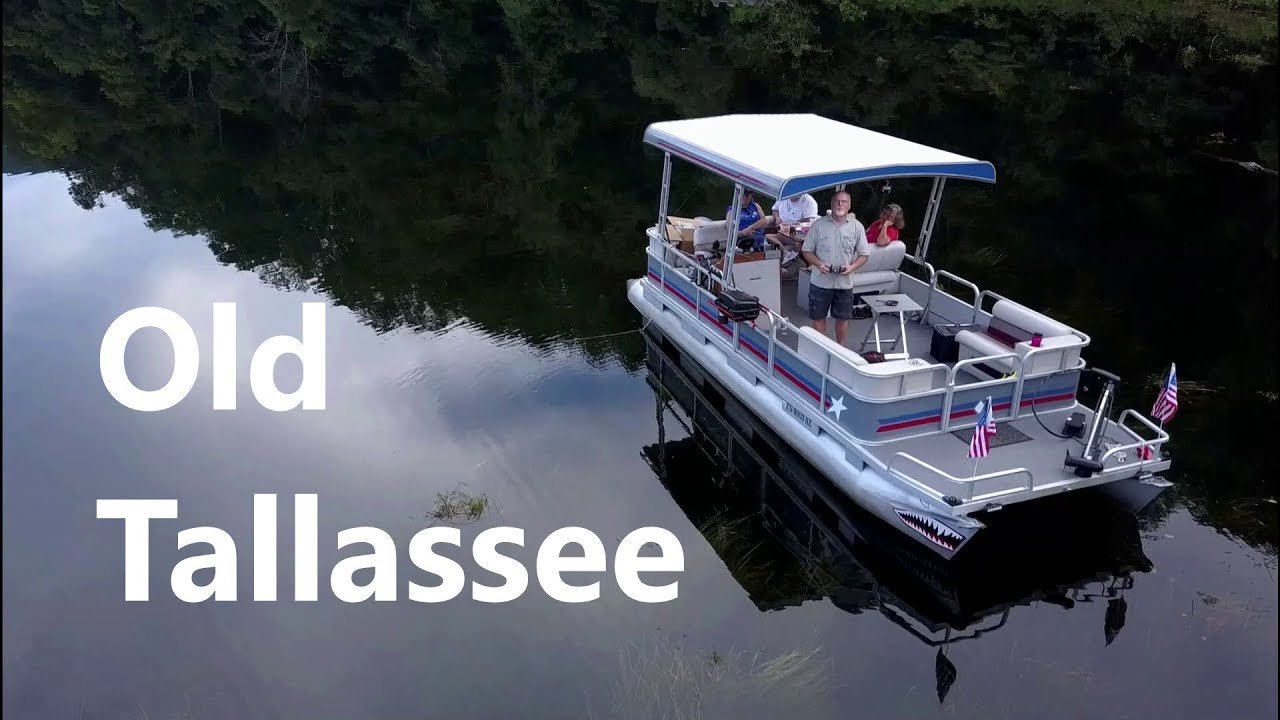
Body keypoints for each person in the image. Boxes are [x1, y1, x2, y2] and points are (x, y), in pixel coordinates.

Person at [800, 190, 869, 345]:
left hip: (844, 283)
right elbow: (806, 251)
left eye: (844, 201)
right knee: (818, 317)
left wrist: (852, 267)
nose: (840, 204)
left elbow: (864, 255)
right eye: (837, 201)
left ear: (849, 205)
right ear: (831, 204)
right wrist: (819, 264)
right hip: (820, 281)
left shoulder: (857, 227)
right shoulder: (818, 225)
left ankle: (840, 349)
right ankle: (821, 348)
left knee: (843, 319)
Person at [765, 192, 819, 267]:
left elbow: (809, 220)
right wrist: (777, 218)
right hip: (782, 231)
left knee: (799, 244)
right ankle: (785, 253)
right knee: (767, 237)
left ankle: (807, 267)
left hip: (797, 234)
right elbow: (775, 210)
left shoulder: (809, 201)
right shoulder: (783, 196)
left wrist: (792, 225)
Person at [727, 187, 768, 251]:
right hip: (742, 238)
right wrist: (743, 233)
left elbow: (764, 220)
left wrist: (750, 228)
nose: (746, 197)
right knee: (748, 242)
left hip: (757, 235)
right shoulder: (732, 210)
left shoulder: (755, 205)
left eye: (747, 195)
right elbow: (730, 230)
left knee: (762, 241)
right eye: (744, 195)